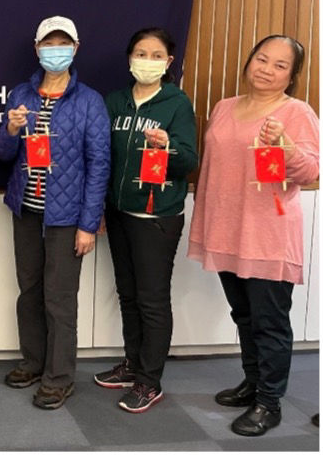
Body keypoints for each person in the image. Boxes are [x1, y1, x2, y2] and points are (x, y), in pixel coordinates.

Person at [188, 34, 319, 437]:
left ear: (292, 76)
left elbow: (311, 172)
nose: (267, 69)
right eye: (262, 59)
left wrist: (286, 147)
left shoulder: (296, 112)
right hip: (228, 230)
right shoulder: (224, 108)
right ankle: (252, 383)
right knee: (243, 314)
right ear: (249, 61)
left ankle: (269, 402)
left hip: (268, 235)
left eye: (280, 65)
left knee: (269, 321)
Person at [0, 16, 110, 410]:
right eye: (48, 44)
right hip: (26, 209)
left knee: (59, 298)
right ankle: (33, 361)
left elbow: (99, 165)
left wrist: (88, 224)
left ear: (75, 49)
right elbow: (4, 155)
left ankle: (59, 377)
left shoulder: (90, 101)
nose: (54, 51)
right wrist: (9, 130)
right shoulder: (21, 95)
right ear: (37, 48)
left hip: (66, 217)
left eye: (63, 44)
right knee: (29, 292)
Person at [93, 28, 198, 413]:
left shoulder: (176, 103)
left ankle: (149, 381)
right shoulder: (115, 101)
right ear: (129, 58)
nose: (147, 60)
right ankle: (133, 364)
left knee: (152, 300)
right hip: (118, 213)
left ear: (169, 62)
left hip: (156, 217)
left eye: (156, 55)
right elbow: (104, 157)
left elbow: (189, 161)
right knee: (128, 294)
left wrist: (167, 148)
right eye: (141, 52)